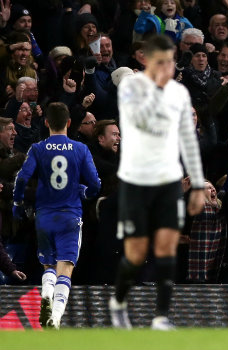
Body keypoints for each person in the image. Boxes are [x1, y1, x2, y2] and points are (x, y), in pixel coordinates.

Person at [109, 34, 206, 331]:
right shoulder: (131, 88)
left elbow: (188, 138)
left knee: (166, 248)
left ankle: (161, 317)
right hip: (137, 181)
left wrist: (199, 183)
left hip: (168, 180)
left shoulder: (178, 93)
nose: (167, 67)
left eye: (171, 61)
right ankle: (118, 302)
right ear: (147, 61)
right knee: (136, 254)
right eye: (160, 61)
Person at [13, 102, 101, 329]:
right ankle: (57, 316)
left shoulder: (38, 148)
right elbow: (95, 184)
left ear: (46, 123)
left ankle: (46, 299)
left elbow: (22, 178)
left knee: (49, 267)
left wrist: (17, 202)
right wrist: (85, 192)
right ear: (69, 123)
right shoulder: (80, 149)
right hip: (70, 215)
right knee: (66, 268)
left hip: (44, 216)